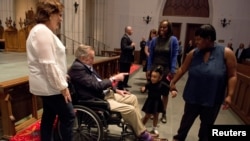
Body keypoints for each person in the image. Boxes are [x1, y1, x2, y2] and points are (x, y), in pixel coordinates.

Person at [68, 44, 154, 141]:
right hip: (97, 100)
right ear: (83, 58)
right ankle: (142, 134)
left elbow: (99, 81)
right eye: (92, 57)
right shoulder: (77, 68)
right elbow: (96, 86)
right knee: (130, 109)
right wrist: (114, 78)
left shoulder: (86, 66)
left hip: (106, 94)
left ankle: (138, 127)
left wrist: (116, 90)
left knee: (133, 98)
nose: (93, 60)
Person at [170, 24, 237, 141]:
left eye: (199, 39)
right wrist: (173, 82)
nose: (196, 42)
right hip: (193, 95)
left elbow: (232, 75)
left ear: (209, 39)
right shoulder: (194, 53)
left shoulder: (226, 53)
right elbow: (182, 69)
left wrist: (230, 95)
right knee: (186, 123)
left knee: (206, 128)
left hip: (213, 98)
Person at [26, 1, 75, 141]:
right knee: (69, 115)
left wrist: (62, 75)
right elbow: (48, 65)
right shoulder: (42, 31)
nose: (61, 19)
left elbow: (51, 62)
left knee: (49, 116)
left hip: (50, 85)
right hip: (51, 87)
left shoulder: (43, 31)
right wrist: (63, 87)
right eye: (59, 15)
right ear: (50, 14)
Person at [147, 19, 179, 124]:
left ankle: (163, 112)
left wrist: (173, 69)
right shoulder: (154, 40)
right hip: (155, 68)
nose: (162, 29)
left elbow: (174, 55)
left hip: (166, 69)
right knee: (154, 91)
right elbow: (151, 55)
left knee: (165, 93)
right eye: (161, 26)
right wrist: (148, 68)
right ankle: (153, 111)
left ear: (169, 28)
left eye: (164, 27)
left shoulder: (173, 40)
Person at [141, 65, 168, 136]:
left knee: (156, 115)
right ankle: (141, 127)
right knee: (147, 115)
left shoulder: (162, 84)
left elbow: (169, 87)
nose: (152, 78)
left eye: (155, 77)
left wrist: (173, 90)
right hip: (150, 101)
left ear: (160, 78)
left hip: (157, 102)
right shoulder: (149, 84)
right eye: (152, 76)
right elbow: (144, 87)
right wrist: (143, 89)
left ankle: (154, 128)